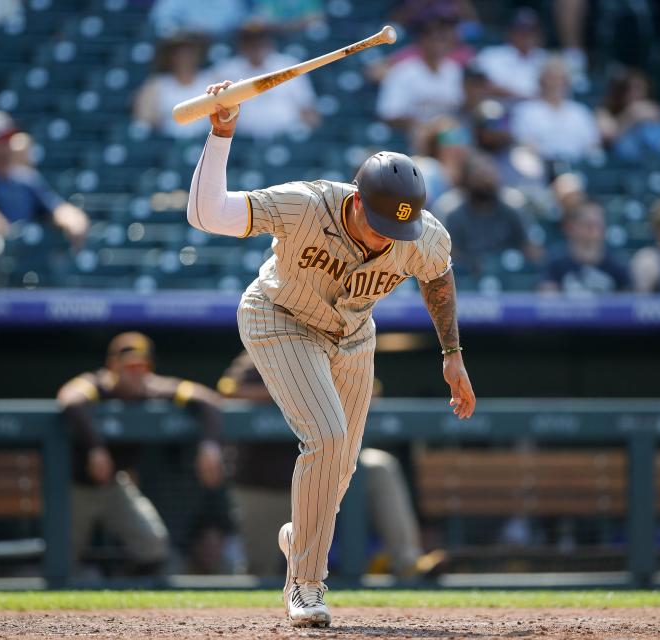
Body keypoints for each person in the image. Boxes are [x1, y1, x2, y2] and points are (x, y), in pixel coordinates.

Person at [187, 81, 476, 627]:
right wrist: (221, 134)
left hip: (352, 336)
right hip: (280, 317)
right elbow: (209, 215)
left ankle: (302, 536)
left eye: (400, 225)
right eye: (381, 220)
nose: (388, 235)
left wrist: (452, 352)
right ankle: (306, 585)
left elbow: (438, 278)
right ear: (356, 197)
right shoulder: (306, 204)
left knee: (338, 473)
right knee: (326, 436)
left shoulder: (420, 235)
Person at [218, 351, 447, 579]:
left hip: (327, 471)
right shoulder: (266, 346)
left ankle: (407, 561)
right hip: (269, 479)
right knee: (260, 572)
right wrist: (298, 393)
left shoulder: (333, 346)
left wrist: (324, 391)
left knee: (379, 467)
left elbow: (370, 389)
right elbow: (228, 391)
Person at [57, 332, 227, 575]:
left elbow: (207, 399)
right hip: (76, 486)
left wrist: (209, 445)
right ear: (113, 365)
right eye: (129, 366)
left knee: (153, 545)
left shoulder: (152, 388)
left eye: (141, 365)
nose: (136, 372)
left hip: (114, 485)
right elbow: (69, 398)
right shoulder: (97, 384)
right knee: (64, 559)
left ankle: (122, 595)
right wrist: (95, 448)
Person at [0, 111, 89, 283]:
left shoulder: (25, 178)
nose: (5, 146)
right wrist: (7, 235)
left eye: (8, 140)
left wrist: (74, 220)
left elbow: (57, 207)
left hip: (24, 258)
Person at [212, 22, 318, 139]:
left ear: (269, 42)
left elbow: (308, 110)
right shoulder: (226, 71)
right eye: (250, 42)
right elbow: (215, 112)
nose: (256, 46)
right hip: (240, 140)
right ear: (242, 45)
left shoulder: (289, 66)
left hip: (286, 136)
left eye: (260, 41)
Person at [443, 153, 539, 277]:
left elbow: (530, 250)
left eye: (488, 175)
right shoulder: (455, 215)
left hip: (508, 276)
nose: (485, 181)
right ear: (467, 179)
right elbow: (451, 255)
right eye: (479, 176)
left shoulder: (511, 211)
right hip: (470, 279)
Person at [376, 16, 464, 132]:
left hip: (449, 136)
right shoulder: (403, 71)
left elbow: (461, 108)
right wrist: (427, 126)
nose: (440, 45)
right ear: (422, 40)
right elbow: (389, 114)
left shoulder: (454, 70)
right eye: (435, 39)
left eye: (444, 40)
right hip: (411, 137)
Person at [510, 57, 600, 162]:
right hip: (541, 170)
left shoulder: (580, 112)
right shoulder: (525, 111)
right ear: (541, 81)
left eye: (561, 79)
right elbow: (524, 144)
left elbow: (592, 147)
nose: (556, 83)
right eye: (551, 78)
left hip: (578, 168)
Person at [540, 201, 631, 294]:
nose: (594, 232)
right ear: (572, 227)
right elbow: (547, 301)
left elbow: (628, 302)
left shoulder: (617, 263)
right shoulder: (556, 260)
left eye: (598, 225)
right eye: (589, 225)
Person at [133, 32, 211, 139]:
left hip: (207, 142)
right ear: (170, 56)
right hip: (165, 144)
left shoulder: (212, 80)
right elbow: (144, 119)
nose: (184, 57)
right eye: (178, 53)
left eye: (189, 52)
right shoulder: (156, 84)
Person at [595, 67, 660, 163]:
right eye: (629, 89)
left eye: (639, 88)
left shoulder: (653, 110)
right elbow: (608, 138)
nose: (634, 93)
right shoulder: (604, 112)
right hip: (616, 167)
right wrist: (631, 115)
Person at [474, 8, 548, 101]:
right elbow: (479, 83)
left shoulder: (544, 58)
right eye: (522, 31)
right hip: (499, 108)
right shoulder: (491, 54)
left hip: (534, 110)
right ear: (510, 32)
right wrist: (520, 96)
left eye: (532, 31)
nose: (527, 36)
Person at [148, 0, 247, 38]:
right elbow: (161, 23)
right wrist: (185, 30)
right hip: (187, 44)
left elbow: (241, 21)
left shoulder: (230, 2)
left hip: (224, 47)